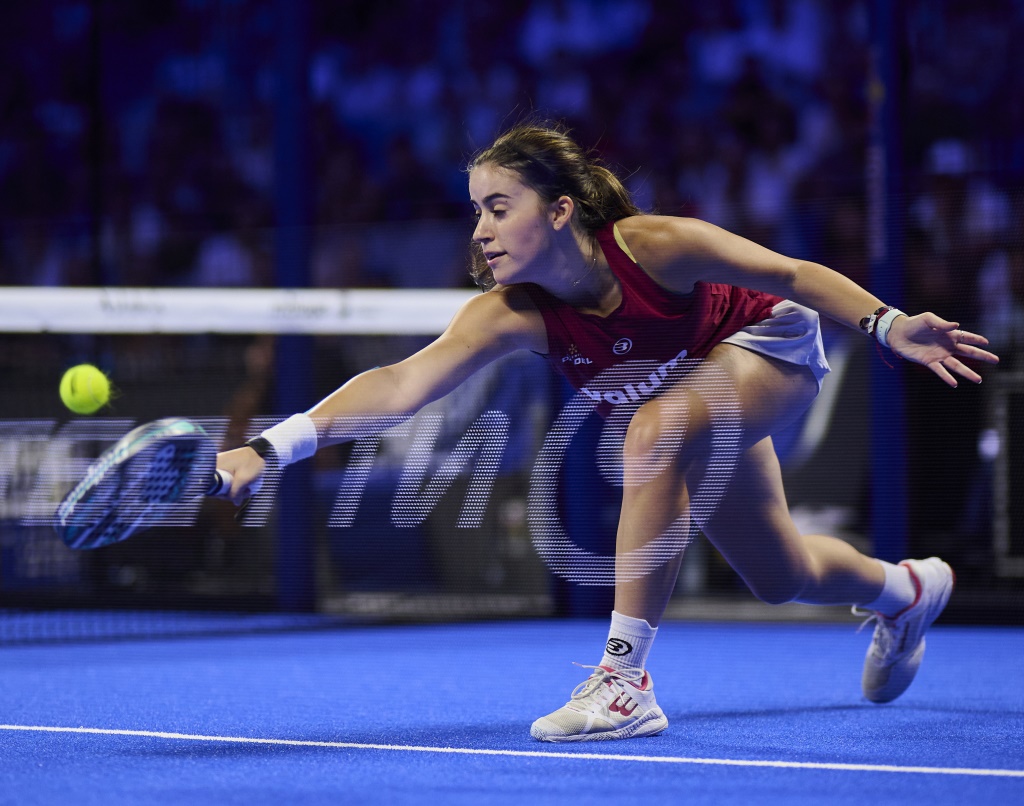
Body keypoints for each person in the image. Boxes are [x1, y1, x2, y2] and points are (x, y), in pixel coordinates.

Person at [216, 123, 999, 743]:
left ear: (559, 211)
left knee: (652, 433)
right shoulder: (509, 313)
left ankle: (625, 683)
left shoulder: (653, 246)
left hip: (767, 349)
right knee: (780, 574)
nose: (482, 230)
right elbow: (401, 385)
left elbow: (791, 274)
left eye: (499, 206)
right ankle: (907, 590)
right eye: (475, 212)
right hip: (690, 397)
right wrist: (267, 447)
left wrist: (887, 324)